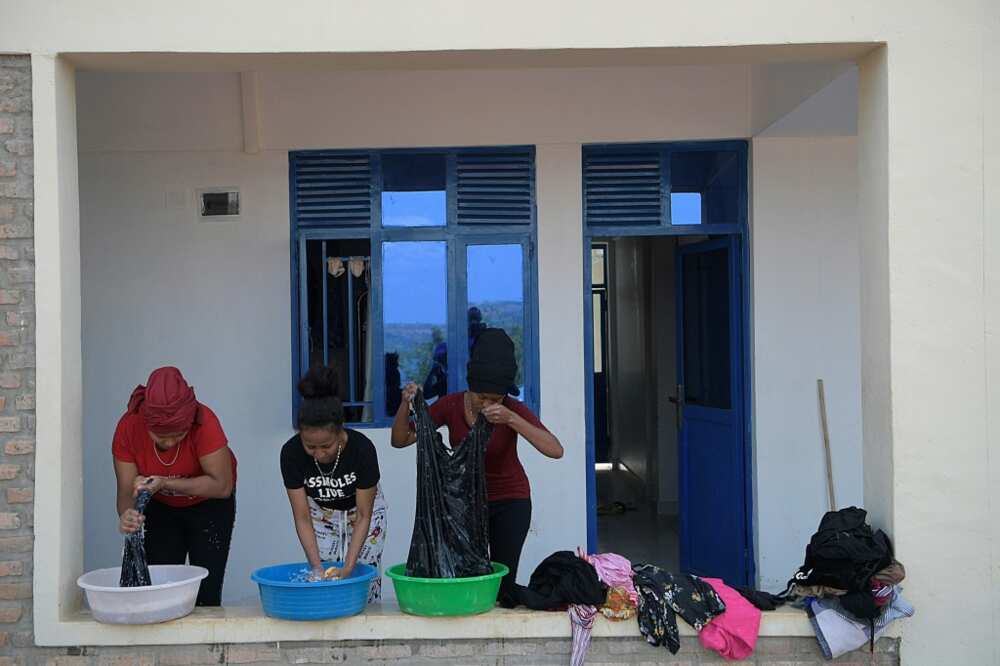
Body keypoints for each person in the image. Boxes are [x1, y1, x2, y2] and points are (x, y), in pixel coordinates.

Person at [391, 328, 563, 606]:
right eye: (481, 396)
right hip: (465, 506)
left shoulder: (511, 410)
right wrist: (405, 405)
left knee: (501, 586)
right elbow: (401, 440)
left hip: (510, 501)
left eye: (495, 399)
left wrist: (510, 418)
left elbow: (555, 450)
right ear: (470, 387)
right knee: (466, 573)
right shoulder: (451, 405)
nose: (486, 404)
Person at [113, 366, 237, 606]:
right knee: (161, 589)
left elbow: (222, 485)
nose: (169, 442)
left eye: (178, 435)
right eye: (161, 437)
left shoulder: (205, 422)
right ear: (147, 423)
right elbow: (125, 493)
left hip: (208, 505)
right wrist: (128, 516)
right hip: (160, 507)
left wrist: (165, 482)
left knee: (206, 590)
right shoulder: (129, 428)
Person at [280, 366, 387, 601]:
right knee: (325, 575)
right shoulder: (291, 453)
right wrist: (316, 567)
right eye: (310, 446)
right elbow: (302, 516)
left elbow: (363, 515)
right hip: (319, 512)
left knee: (362, 576)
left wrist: (348, 569)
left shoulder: (362, 449)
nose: (318, 454)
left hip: (362, 512)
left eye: (326, 446)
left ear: (340, 432)